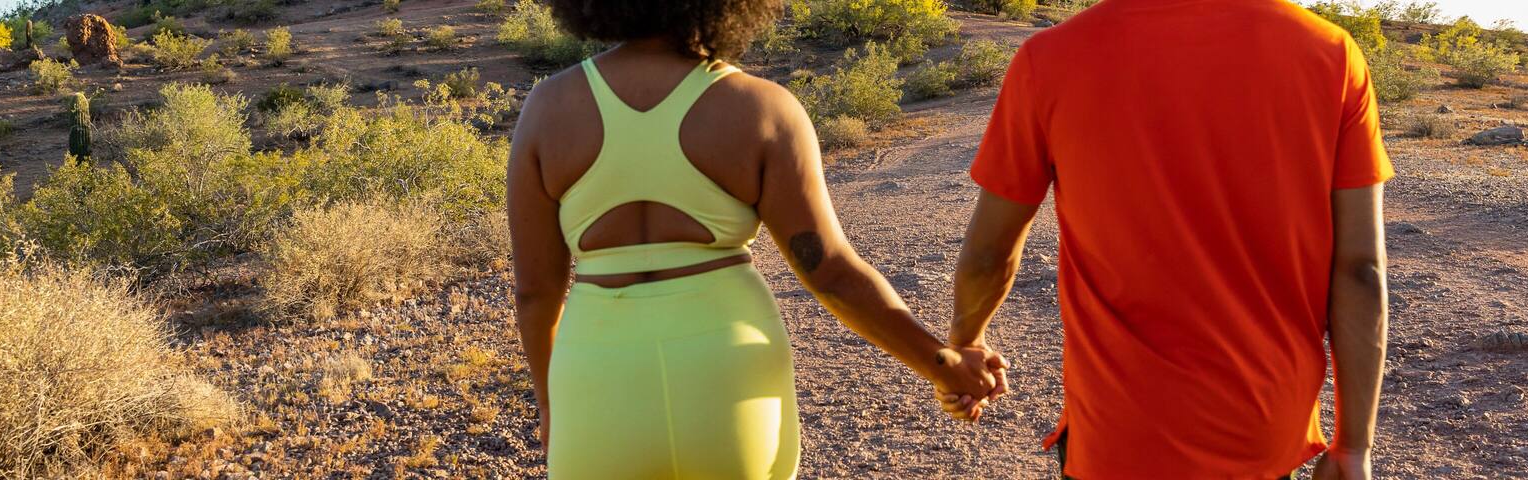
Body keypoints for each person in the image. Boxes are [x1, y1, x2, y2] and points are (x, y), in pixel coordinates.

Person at [504, 1, 1003, 478]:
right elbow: (830, 272)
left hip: (597, 374)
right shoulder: (761, 108)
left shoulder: (548, 108)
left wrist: (551, 403)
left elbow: (536, 291)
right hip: (727, 369)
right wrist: (943, 362)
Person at [948, 0, 1394, 478]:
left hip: (1119, 433)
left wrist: (966, 343)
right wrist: (1353, 446)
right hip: (1262, 428)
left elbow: (989, 255)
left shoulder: (1050, 58)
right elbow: (1360, 270)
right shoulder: (1331, 53)